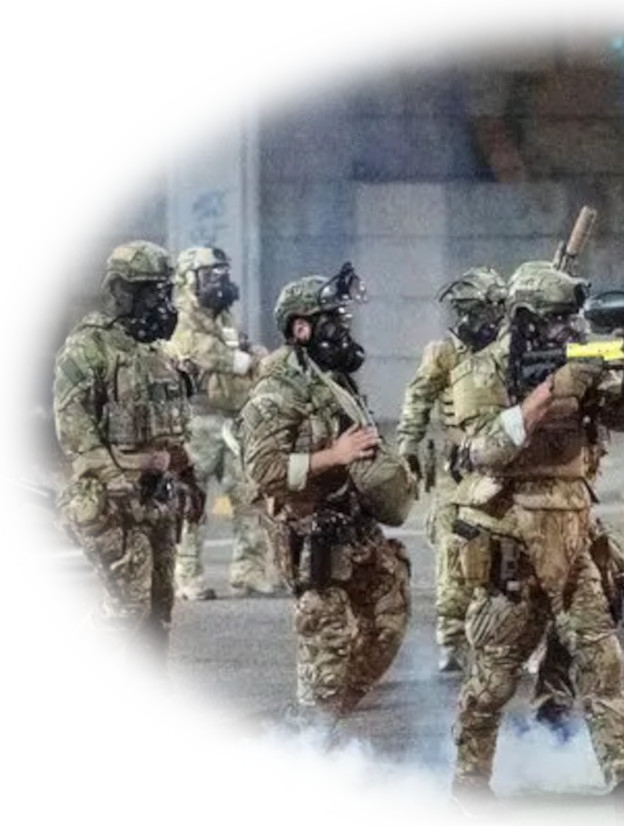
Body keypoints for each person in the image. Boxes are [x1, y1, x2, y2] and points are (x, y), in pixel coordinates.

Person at [446, 260, 624, 799]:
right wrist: (549, 392)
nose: (569, 330)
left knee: (601, 660)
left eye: (571, 319)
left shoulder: (578, 361)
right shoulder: (481, 371)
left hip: (570, 539)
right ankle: (468, 785)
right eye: (557, 320)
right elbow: (482, 450)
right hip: (511, 541)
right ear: (526, 319)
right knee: (492, 679)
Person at [237, 266, 416, 719]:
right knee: (326, 648)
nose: (343, 331)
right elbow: (263, 470)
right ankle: (315, 733)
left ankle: (334, 712)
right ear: (302, 329)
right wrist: (333, 456)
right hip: (311, 535)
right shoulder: (278, 391)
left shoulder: (334, 382)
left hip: (353, 525)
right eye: (333, 322)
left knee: (389, 618)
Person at [52, 240, 201, 661]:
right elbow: (75, 428)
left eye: (164, 291)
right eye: (150, 292)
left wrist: (189, 477)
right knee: (126, 609)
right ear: (121, 291)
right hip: (112, 500)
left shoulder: (158, 353)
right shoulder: (89, 347)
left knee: (159, 610)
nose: (162, 304)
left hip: (158, 499)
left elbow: (170, 430)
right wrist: (116, 482)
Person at [396, 266, 507, 673]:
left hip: (499, 461)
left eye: (481, 311)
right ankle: (452, 636)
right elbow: (418, 396)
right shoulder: (443, 352)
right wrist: (408, 446)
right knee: (450, 549)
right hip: (455, 466)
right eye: (467, 312)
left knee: (506, 549)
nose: (474, 320)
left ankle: (509, 635)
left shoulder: (508, 348)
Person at [163, 246, 274, 600]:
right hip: (196, 421)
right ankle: (186, 577)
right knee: (190, 501)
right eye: (210, 275)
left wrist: (251, 354)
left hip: (232, 420)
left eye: (222, 274)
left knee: (249, 496)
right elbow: (196, 349)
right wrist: (240, 361)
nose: (219, 282)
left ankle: (249, 571)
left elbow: (239, 348)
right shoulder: (180, 316)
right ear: (189, 279)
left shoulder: (223, 315)